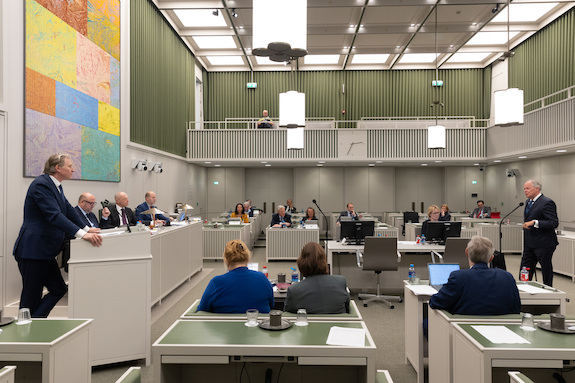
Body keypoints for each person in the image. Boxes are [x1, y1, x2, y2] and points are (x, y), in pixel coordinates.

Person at [13, 154, 103, 318]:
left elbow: (67, 209)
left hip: (45, 252)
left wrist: (86, 228)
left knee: (58, 289)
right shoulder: (41, 184)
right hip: (33, 250)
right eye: (70, 166)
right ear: (58, 168)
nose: (73, 169)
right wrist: (82, 234)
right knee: (31, 297)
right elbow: (54, 215)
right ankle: (28, 330)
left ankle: (35, 322)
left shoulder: (56, 186)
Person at [429, 235, 520, 315]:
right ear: (491, 258)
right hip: (501, 330)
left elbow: (435, 302)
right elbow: (516, 309)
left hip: (461, 330)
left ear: (466, 252)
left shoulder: (459, 277)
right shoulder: (507, 277)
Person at [198, 239, 274, 313]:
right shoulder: (262, 278)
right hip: (256, 324)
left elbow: (202, 310)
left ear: (226, 259)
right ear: (247, 257)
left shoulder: (216, 283)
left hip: (223, 325)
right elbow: (272, 305)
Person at [284, 242, 350, 314]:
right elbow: (348, 309)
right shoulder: (341, 282)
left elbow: (288, 316)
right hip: (338, 324)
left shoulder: (294, 290)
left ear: (301, 262)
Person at [520, 179, 559, 286]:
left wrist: (535, 222)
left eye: (527, 188)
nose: (525, 191)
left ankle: (548, 291)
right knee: (525, 268)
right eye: (524, 189)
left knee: (545, 269)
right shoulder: (528, 202)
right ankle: (524, 289)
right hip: (529, 243)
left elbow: (553, 223)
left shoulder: (547, 202)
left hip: (544, 243)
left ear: (537, 189)